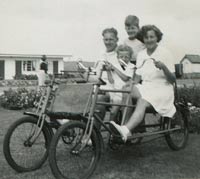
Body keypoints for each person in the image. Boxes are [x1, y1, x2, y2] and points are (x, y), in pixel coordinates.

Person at [110, 25, 176, 142]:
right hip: (146, 87)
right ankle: (125, 128)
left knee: (142, 101)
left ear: (157, 38)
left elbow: (173, 80)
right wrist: (131, 84)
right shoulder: (142, 54)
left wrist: (164, 67)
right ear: (143, 39)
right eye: (146, 37)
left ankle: (125, 130)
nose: (149, 40)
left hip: (162, 89)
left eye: (152, 37)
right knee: (127, 89)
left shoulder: (165, 53)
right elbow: (137, 77)